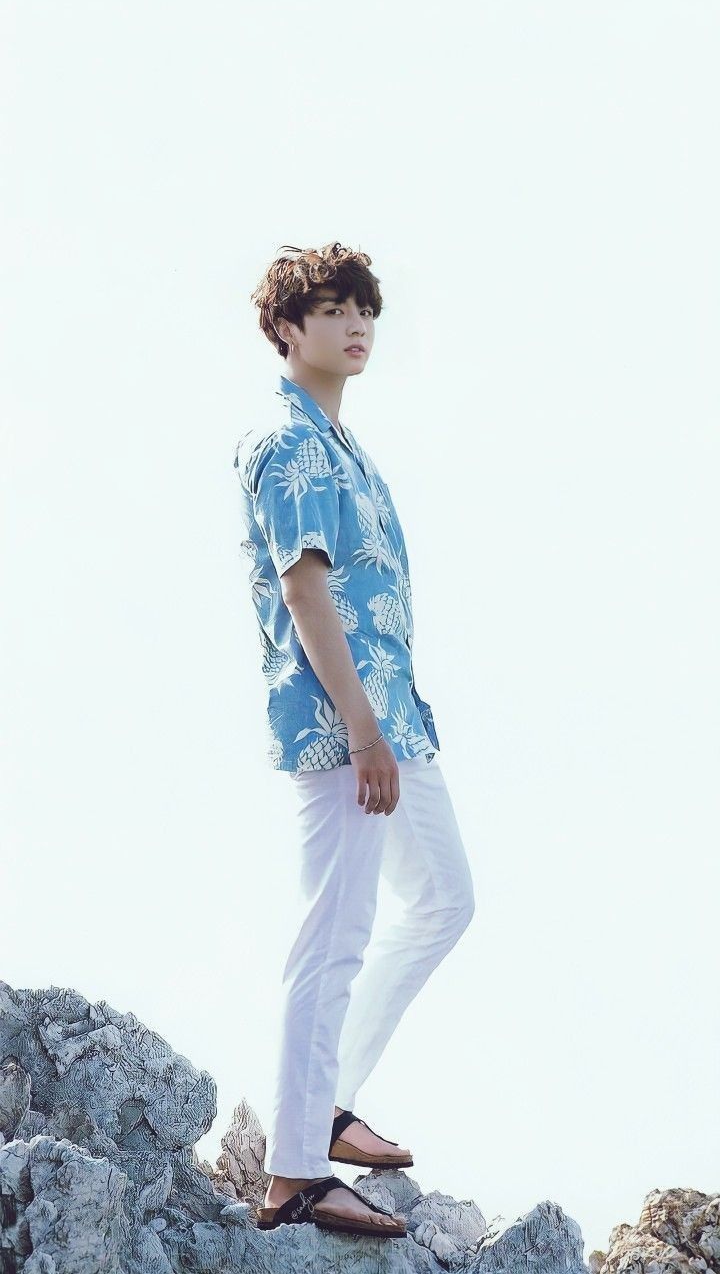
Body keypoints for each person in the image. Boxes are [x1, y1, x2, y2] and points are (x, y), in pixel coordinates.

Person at [234, 242, 476, 1239]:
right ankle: (293, 1173)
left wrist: (393, 726)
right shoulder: (286, 444)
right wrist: (365, 731)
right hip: (346, 726)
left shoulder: (343, 445)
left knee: (445, 898)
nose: (355, 323)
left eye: (363, 308)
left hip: (394, 722)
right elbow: (304, 586)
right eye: (331, 309)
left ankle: (322, 1102)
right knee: (331, 936)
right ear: (287, 330)